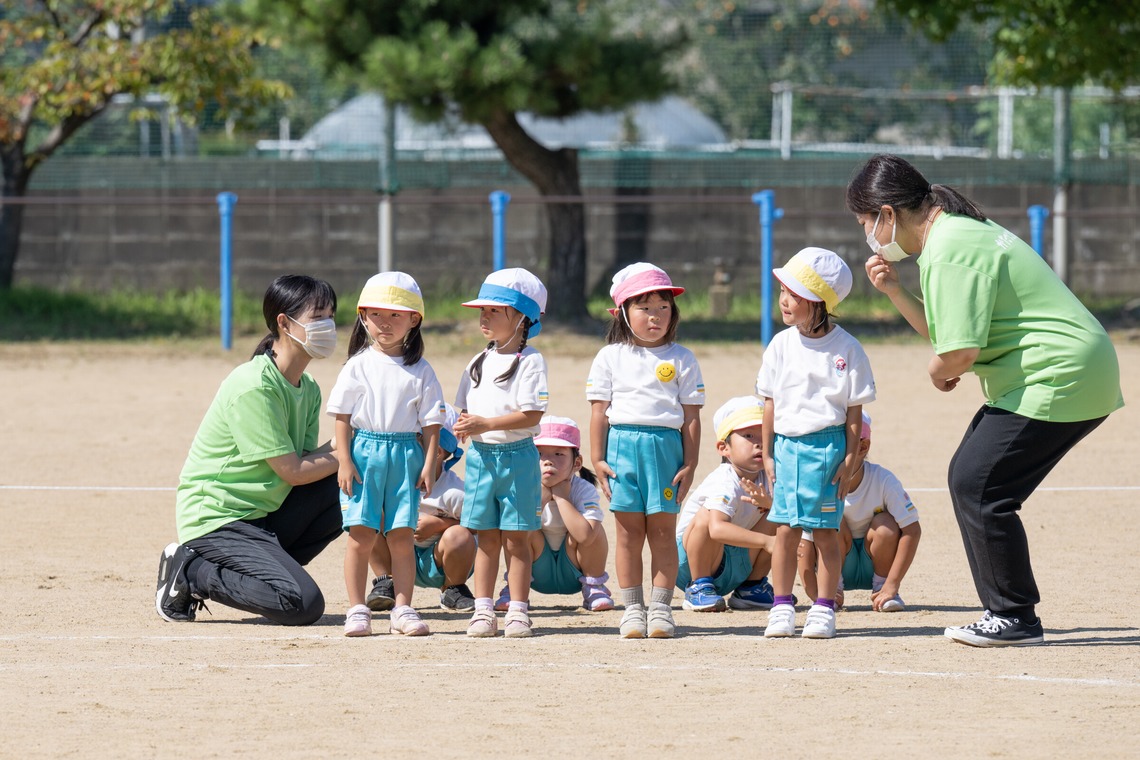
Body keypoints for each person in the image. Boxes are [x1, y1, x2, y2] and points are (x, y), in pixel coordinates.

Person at [847, 153, 1123, 646]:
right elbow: (949, 334)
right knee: (974, 479)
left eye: (866, 222)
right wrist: (894, 292)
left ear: (887, 214)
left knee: (978, 485)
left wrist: (938, 372)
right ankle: (1010, 613)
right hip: (1065, 370)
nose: (868, 234)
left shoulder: (949, 249)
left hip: (1058, 374)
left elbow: (956, 353)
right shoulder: (955, 234)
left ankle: (1013, 616)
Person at [155, 275, 343, 626]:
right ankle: (192, 571)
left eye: (331, 316)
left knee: (346, 485)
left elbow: (309, 464)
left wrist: (349, 443)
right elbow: (293, 471)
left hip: (264, 514)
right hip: (218, 518)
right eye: (318, 317)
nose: (328, 326)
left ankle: (266, 569)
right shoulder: (254, 385)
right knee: (302, 603)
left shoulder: (308, 387)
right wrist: (346, 452)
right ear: (284, 323)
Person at [755, 247, 876, 640]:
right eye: (783, 292)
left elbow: (854, 411)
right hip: (786, 448)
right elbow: (769, 404)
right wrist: (768, 453)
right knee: (785, 530)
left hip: (828, 449)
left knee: (825, 532)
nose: (784, 301)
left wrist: (849, 458)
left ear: (820, 302)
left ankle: (824, 608)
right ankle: (781, 606)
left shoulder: (848, 348)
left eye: (794, 294)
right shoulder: (780, 344)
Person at [587, 262, 705, 639]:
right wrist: (598, 458)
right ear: (623, 312)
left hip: (665, 452)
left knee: (663, 532)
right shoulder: (609, 357)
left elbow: (691, 417)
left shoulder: (683, 358)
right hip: (622, 449)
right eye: (644, 307)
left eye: (663, 307)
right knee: (627, 533)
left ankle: (661, 608)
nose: (655, 316)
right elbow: (599, 413)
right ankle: (633, 609)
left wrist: (691, 462)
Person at [327, 272, 446, 637]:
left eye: (396, 315)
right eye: (376, 314)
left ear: (414, 319)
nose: (385, 322)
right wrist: (345, 460)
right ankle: (356, 609)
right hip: (364, 454)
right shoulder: (357, 365)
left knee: (401, 537)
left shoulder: (421, 370)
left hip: (406, 456)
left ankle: (403, 608)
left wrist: (429, 463)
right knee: (361, 535)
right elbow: (342, 417)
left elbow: (431, 424)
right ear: (363, 317)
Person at [454, 268, 550, 638]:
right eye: (483, 310)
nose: (484, 316)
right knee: (486, 537)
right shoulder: (477, 360)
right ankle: (483, 610)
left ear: (523, 318)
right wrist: (463, 426)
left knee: (516, 538)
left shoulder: (531, 361)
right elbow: (464, 408)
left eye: (495, 310)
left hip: (518, 458)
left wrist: (484, 424)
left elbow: (532, 414)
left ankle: (518, 610)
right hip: (480, 458)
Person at [797, 413, 921, 612]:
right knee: (831, 523)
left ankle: (882, 590)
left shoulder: (883, 479)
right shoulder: (817, 485)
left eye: (837, 443)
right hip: (834, 561)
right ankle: (831, 590)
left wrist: (892, 583)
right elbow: (803, 541)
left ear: (863, 447)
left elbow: (912, 530)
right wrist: (815, 593)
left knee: (885, 523)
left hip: (876, 561)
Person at [494, 415, 614, 612]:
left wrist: (561, 498)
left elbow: (585, 537)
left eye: (559, 454)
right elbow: (515, 534)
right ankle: (515, 590)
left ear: (577, 463)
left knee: (595, 530)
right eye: (539, 454)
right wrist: (541, 499)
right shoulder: (522, 488)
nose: (548, 461)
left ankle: (594, 588)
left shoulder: (583, 489)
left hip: (575, 571)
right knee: (517, 529)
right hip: (534, 570)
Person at [675, 396, 777, 613]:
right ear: (724, 448)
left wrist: (770, 504)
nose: (759, 443)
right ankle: (699, 586)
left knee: (780, 515)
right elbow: (716, 529)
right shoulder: (724, 479)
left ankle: (751, 587)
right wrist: (768, 541)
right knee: (707, 516)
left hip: (735, 559)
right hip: (691, 563)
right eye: (748, 436)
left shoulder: (770, 476)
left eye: (765, 435)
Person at [411, 404, 478, 611]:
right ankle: (388, 583)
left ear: (437, 452)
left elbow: (476, 526)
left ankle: (453, 589)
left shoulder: (455, 492)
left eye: (410, 442)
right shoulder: (395, 481)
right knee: (370, 519)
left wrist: (439, 524)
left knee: (459, 535)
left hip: (441, 563)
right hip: (400, 557)